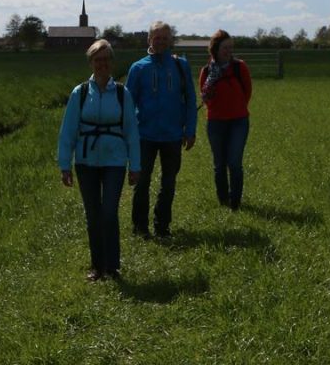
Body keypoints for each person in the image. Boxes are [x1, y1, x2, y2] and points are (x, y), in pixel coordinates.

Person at [58, 39, 140, 281]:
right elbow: (68, 131)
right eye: (97, 60)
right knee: (93, 214)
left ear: (111, 62)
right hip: (86, 162)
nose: (102, 64)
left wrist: (135, 166)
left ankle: (112, 266)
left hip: (115, 161)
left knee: (109, 213)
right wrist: (65, 165)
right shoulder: (80, 93)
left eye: (106, 59)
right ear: (91, 63)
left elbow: (132, 132)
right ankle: (97, 266)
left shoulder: (123, 94)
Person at [126, 21, 197, 239]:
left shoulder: (180, 66)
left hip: (173, 135)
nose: (161, 41)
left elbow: (190, 98)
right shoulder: (138, 68)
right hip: (144, 135)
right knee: (142, 182)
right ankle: (140, 227)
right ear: (149, 40)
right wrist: (127, 135)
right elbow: (128, 104)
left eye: (165, 38)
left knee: (169, 183)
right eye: (157, 38)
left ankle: (162, 226)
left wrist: (190, 129)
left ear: (170, 41)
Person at [199, 30, 252, 210]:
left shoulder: (240, 67)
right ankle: (223, 200)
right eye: (225, 47)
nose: (228, 51)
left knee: (235, 163)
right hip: (216, 123)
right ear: (215, 49)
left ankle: (235, 203)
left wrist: (236, 108)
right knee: (219, 164)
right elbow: (204, 97)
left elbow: (247, 92)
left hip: (239, 121)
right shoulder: (206, 72)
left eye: (231, 47)